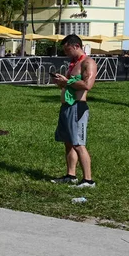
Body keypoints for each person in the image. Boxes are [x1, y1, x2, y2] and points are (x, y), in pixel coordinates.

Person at [50, 34, 97, 188]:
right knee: (68, 142)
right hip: (67, 106)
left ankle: (88, 180)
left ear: (76, 46)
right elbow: (70, 86)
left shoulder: (88, 62)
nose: (66, 53)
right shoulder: (73, 63)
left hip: (78, 107)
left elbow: (87, 85)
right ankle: (71, 175)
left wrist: (67, 81)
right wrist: (61, 83)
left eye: (68, 49)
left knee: (78, 143)